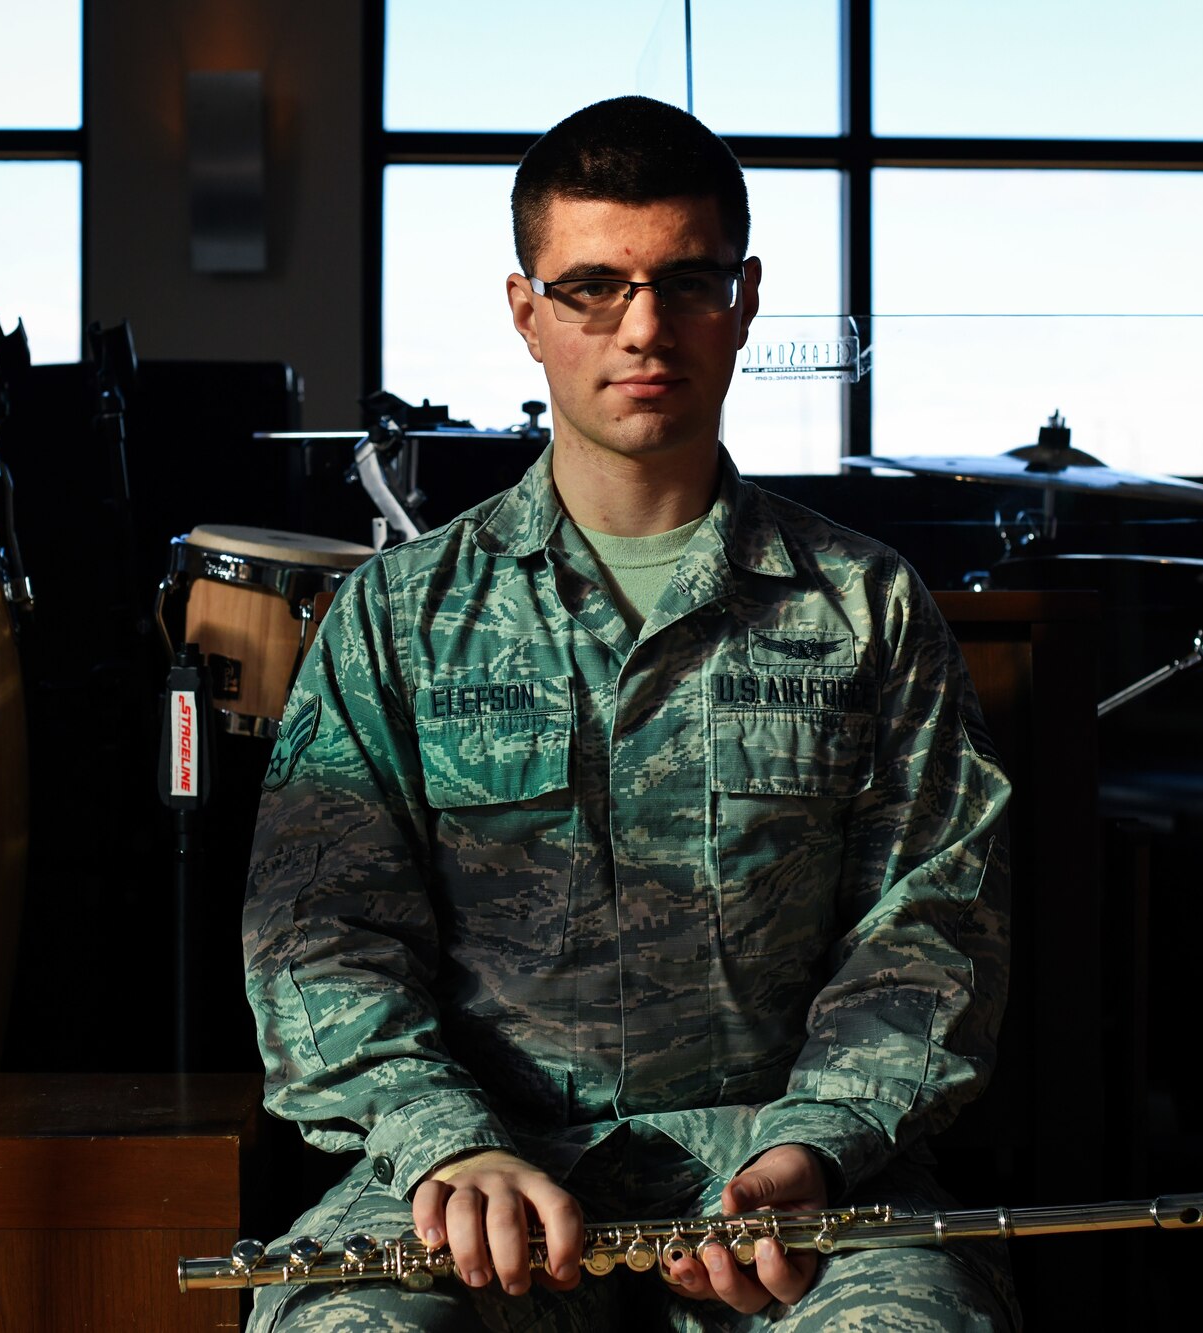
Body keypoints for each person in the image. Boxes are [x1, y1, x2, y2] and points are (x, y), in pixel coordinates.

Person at [243, 94, 1015, 1332]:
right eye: (594, 286)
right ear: (525, 311)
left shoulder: (865, 608)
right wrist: (448, 1150)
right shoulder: (397, 618)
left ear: (744, 299)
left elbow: (929, 928)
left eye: (687, 281)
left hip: (784, 1192)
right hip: (469, 1192)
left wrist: (809, 1150)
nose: (644, 327)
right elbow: (317, 939)